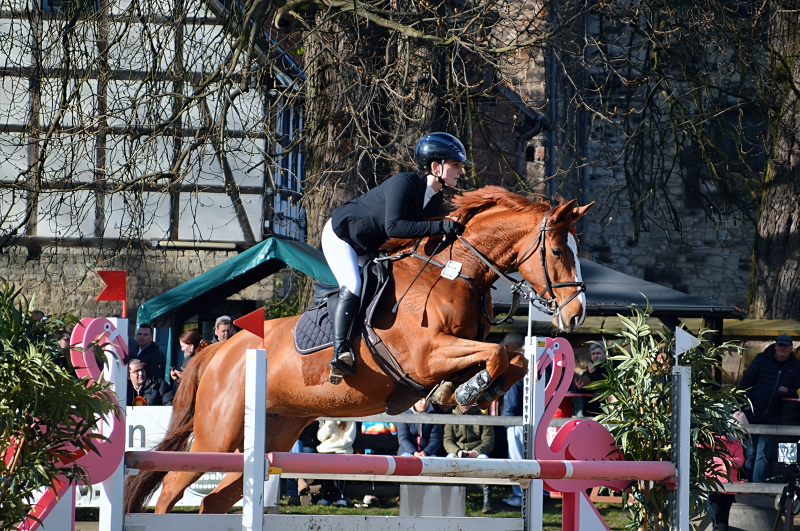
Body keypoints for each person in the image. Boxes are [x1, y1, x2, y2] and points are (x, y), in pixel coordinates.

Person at [321, 132, 472, 384]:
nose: (460, 171)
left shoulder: (434, 200)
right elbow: (395, 227)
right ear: (436, 167)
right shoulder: (405, 183)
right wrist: (442, 227)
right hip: (342, 236)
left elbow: (419, 239)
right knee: (354, 284)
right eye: (455, 165)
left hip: (371, 245)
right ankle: (341, 353)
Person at [739, 334, 800, 482]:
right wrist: (745, 405)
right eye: (779, 345)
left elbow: (797, 390)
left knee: (764, 453)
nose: (782, 349)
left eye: (785, 346)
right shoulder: (761, 359)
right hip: (753, 411)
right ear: (775, 346)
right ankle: (746, 485)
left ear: (791, 348)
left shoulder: (796, 366)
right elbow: (746, 381)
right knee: (750, 451)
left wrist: (787, 391)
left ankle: (758, 486)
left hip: (774, 413)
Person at [444, 403, 495, 513]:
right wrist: (457, 452)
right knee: (449, 460)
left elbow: (488, 440)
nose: (466, 403)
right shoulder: (451, 417)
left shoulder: (483, 418)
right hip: (458, 451)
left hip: (477, 452)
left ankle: (487, 502)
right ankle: (450, 501)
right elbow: (447, 440)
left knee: (485, 461)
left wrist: (476, 452)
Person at [499, 333, 524, 507]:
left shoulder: (516, 370)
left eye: (507, 346)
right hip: (520, 420)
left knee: (516, 458)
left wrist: (505, 416)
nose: (505, 350)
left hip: (515, 421)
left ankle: (519, 495)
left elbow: (512, 402)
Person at [575, 343, 609, 417]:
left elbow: (604, 384)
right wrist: (579, 388)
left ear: (605, 354)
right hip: (588, 410)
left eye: (598, 353)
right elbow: (584, 390)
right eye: (593, 354)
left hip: (603, 410)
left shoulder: (609, 368)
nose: (595, 356)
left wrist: (593, 373)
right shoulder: (589, 371)